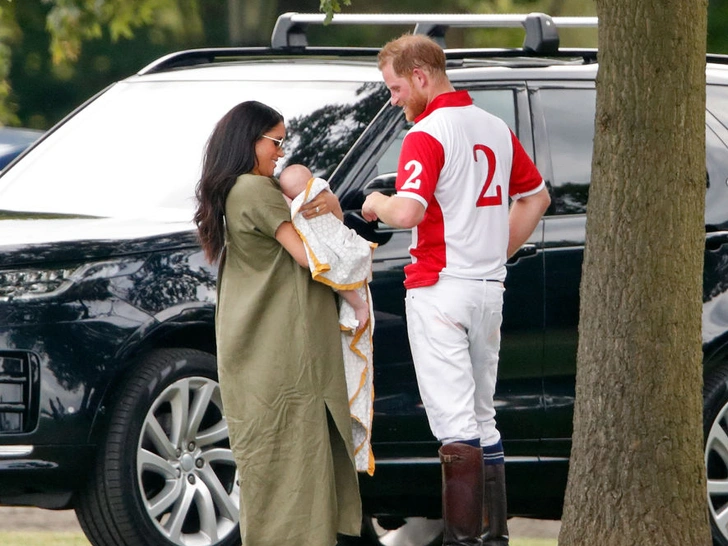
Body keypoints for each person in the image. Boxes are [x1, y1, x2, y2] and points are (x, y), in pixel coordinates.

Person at [362, 34, 551, 546]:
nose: (395, 98)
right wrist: (495, 250)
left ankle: (464, 541)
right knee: (483, 419)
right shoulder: (494, 126)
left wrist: (377, 201)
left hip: (441, 288)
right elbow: (536, 198)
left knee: (454, 426)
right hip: (489, 287)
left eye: (397, 87)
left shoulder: (427, 133)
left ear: (421, 76)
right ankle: (494, 539)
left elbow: (408, 212)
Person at [194, 100, 362, 546]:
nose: (280, 153)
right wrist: (333, 214)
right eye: (276, 142)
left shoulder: (234, 191)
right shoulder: (254, 190)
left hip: (258, 351)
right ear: (250, 141)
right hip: (284, 351)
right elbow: (314, 257)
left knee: (272, 468)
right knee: (297, 468)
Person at [279, 162, 377, 476]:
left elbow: (325, 245)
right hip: (327, 287)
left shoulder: (316, 200)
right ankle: (356, 304)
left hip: (335, 263)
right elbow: (316, 256)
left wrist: (332, 206)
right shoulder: (284, 205)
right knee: (339, 268)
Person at [279, 163, 372, 333]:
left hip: (338, 247)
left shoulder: (315, 198)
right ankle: (358, 307)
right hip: (339, 248)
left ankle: (359, 306)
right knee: (339, 276)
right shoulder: (320, 193)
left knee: (338, 276)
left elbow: (336, 223)